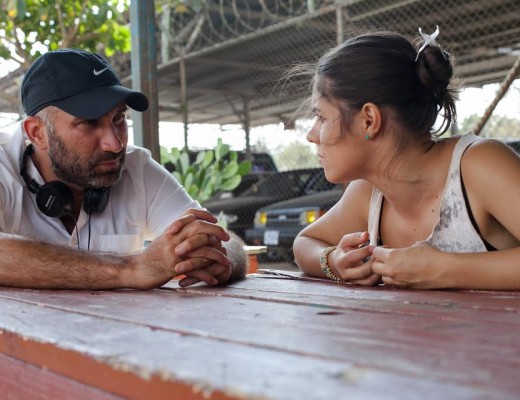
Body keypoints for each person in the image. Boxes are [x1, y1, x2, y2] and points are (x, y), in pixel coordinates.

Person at [293, 27, 520, 290]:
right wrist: (333, 261)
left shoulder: (480, 165)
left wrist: (443, 270)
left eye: (321, 117)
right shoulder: (368, 193)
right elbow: (305, 242)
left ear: (369, 120)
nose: (311, 135)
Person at [0, 48, 247, 289]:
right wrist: (131, 269)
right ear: (37, 133)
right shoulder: (4, 168)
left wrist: (222, 260)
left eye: (118, 118)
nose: (115, 144)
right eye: (89, 122)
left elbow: (225, 240)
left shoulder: (136, 167)